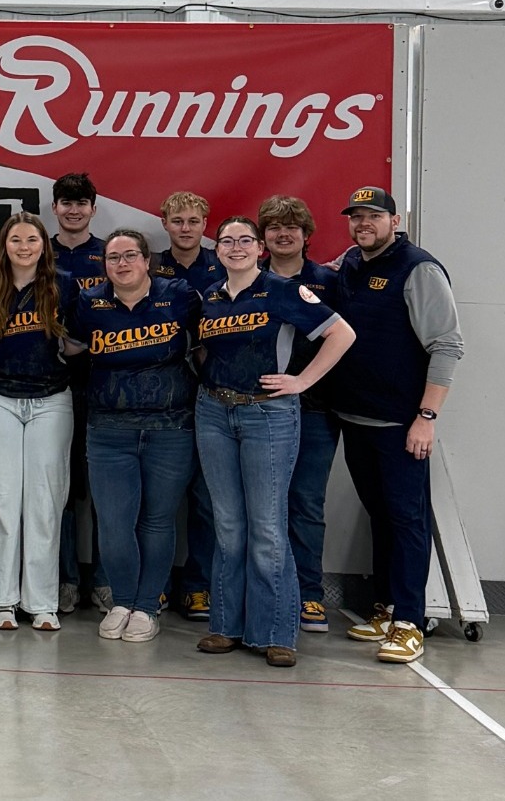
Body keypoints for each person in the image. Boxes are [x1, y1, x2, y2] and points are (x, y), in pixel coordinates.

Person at [193, 216, 354, 668]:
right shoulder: (208, 296)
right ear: (218, 250)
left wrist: (302, 381)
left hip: (268, 413)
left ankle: (275, 632)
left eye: (246, 240)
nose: (237, 247)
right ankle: (226, 627)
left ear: (259, 248)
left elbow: (342, 333)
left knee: (266, 525)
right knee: (228, 525)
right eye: (228, 241)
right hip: (213, 413)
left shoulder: (282, 289)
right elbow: (202, 351)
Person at [330, 186, 463, 664]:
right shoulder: (350, 262)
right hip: (354, 416)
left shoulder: (418, 268)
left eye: (373, 216)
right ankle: (387, 609)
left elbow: (446, 345)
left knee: (408, 519)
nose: (363, 223)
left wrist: (426, 418)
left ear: (395, 219)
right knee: (382, 514)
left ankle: (410, 621)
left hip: (401, 422)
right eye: (356, 216)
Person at [67, 229, 201, 643]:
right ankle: (122, 601)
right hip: (108, 429)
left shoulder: (179, 295)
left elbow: (206, 346)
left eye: (130, 256)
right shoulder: (89, 303)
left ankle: (147, 606)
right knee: (113, 523)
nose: (121, 264)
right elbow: (70, 349)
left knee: (158, 521)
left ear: (147, 260)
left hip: (170, 427)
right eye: (112, 258)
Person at [0, 213, 73, 631]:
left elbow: (78, 343)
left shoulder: (64, 283)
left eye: (32, 239)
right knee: (1, 496)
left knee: (45, 502)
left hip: (51, 398)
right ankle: (0, 599)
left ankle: (42, 602)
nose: (24, 247)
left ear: (44, 244)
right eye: (16, 240)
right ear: (3, 245)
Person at [259, 195, 341, 634]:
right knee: (254, 508)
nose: (283, 233)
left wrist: (305, 382)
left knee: (305, 503)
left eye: (292, 227)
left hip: (314, 410)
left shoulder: (329, 281)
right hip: (256, 411)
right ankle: (260, 592)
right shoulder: (245, 279)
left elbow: (344, 338)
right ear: (263, 237)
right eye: (274, 227)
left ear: (306, 235)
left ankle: (309, 595)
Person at [153, 191, 221, 622]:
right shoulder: (149, 265)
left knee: (207, 498)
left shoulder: (223, 263)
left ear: (205, 223)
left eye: (193, 221)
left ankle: (198, 586)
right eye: (177, 220)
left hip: (213, 391)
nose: (185, 228)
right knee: (159, 499)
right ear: (164, 223)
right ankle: (155, 586)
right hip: (163, 393)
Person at [49, 172, 111, 614]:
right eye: (65, 203)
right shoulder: (39, 253)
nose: (73, 210)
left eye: (81, 203)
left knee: (107, 492)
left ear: (93, 207)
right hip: (53, 387)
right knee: (64, 491)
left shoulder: (109, 255)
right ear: (54, 207)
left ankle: (107, 581)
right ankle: (67, 579)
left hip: (106, 385)